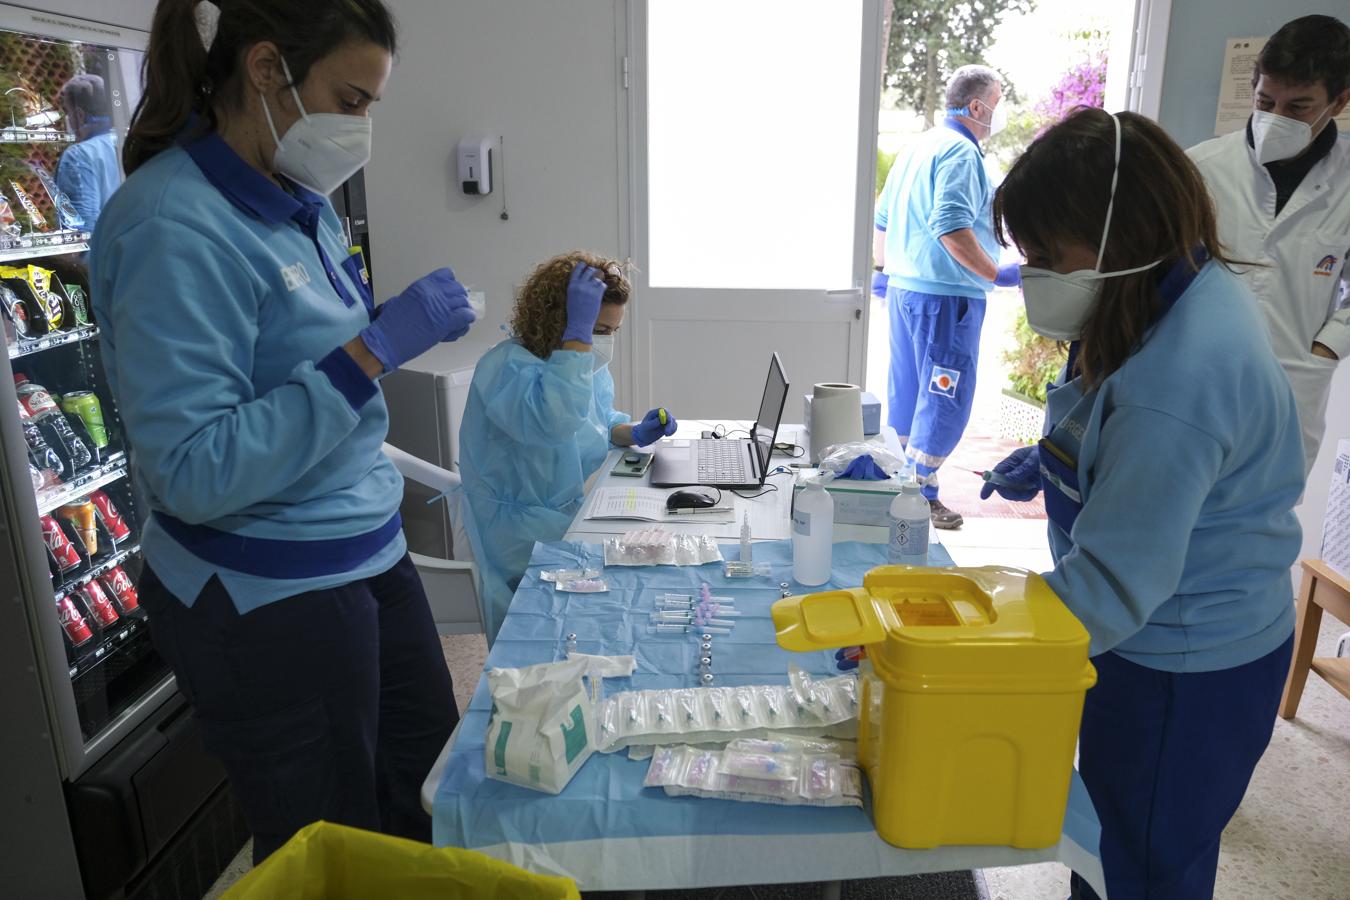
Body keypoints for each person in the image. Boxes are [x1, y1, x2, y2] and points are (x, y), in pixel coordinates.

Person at [89, 0, 475, 863]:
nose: (363, 127)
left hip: (365, 551)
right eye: (353, 99)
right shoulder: (171, 227)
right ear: (267, 71)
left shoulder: (298, 200)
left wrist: (370, 341)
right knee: (331, 848)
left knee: (429, 796)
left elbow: (293, 356)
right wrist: (371, 352)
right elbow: (191, 467)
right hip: (266, 592)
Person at [981, 108, 1302, 900]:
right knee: (1127, 842)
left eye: (1047, 256)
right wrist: (1057, 459)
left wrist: (968, 644)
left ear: (1118, 237)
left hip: (1185, 664)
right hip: (1162, 638)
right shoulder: (1162, 289)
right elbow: (1112, 418)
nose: (1034, 276)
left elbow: (1109, 590)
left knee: (1142, 864)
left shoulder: (1181, 374)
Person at [459, 252, 679, 643]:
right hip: (517, 534)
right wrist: (577, 339)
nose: (602, 342)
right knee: (535, 643)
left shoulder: (581, 366)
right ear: (558, 319)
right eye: (595, 328)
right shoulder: (506, 368)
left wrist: (633, 432)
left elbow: (595, 421)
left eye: (612, 331)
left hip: (562, 517)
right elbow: (555, 420)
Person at [1188, 15, 1349, 478]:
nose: (1276, 118)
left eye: (1298, 107)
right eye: (1265, 100)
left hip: (1293, 380)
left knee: (1263, 527)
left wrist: (1326, 349)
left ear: (1339, 101)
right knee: (1179, 509)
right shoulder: (1200, 168)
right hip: (1197, 378)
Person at [873, 64, 1021, 529]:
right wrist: (996, 273)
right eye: (997, 104)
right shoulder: (962, 153)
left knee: (908, 393)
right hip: (946, 301)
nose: (998, 114)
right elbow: (950, 225)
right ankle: (918, 495)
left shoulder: (918, 147)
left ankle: (901, 486)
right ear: (977, 106)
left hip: (904, 293)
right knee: (945, 398)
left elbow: (881, 219)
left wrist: (884, 273)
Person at [57, 74, 122, 230]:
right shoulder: (126, 141)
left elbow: (81, 230)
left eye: (68, 112)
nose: (68, 119)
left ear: (79, 115)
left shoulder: (77, 156)